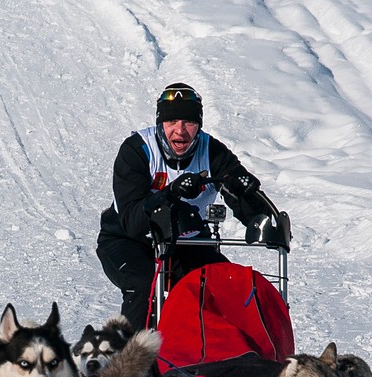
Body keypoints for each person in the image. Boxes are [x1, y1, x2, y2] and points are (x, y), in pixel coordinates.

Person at [96, 82, 272, 331]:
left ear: (199, 125)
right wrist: (170, 194)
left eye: (189, 123)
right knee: (145, 284)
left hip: (186, 241)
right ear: (160, 124)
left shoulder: (212, 151)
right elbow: (131, 221)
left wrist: (259, 214)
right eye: (172, 122)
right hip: (129, 240)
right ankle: (135, 361)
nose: (180, 132)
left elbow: (241, 196)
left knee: (222, 284)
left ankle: (220, 354)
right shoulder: (137, 150)